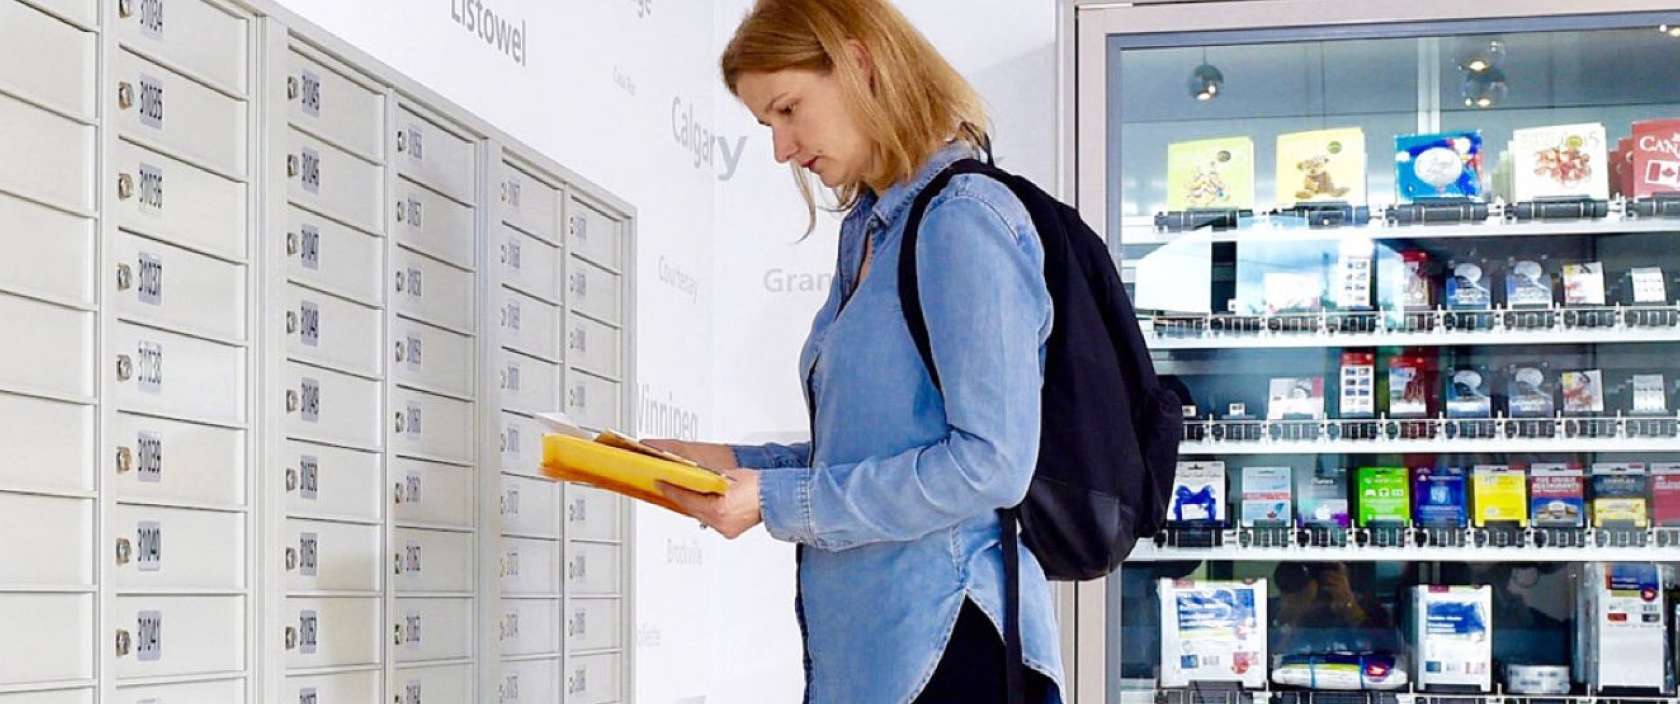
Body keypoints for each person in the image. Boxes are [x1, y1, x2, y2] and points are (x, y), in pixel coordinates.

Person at [644, 1, 1063, 702]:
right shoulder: (870, 231)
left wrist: (774, 501)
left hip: (946, 650)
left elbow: (992, 465)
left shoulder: (963, 220)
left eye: (788, 109)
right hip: (873, 655)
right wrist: (726, 468)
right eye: (766, 125)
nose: (781, 150)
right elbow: (875, 450)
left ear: (861, 64)